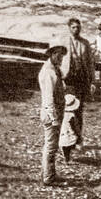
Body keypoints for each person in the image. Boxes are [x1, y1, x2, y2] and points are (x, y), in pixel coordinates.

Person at [60, 17, 95, 162]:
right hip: (68, 79)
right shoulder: (62, 42)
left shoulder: (85, 43)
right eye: (73, 27)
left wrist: (92, 81)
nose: (76, 29)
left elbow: (90, 63)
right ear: (69, 28)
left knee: (79, 110)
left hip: (81, 80)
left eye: (78, 27)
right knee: (68, 110)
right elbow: (57, 61)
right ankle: (65, 142)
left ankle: (78, 139)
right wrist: (59, 79)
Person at [38, 46, 67, 186]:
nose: (60, 57)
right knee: (50, 147)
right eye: (57, 54)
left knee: (51, 146)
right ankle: (48, 178)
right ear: (51, 54)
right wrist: (54, 118)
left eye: (62, 55)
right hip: (51, 114)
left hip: (55, 112)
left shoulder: (55, 69)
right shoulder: (48, 72)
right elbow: (48, 98)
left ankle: (49, 173)